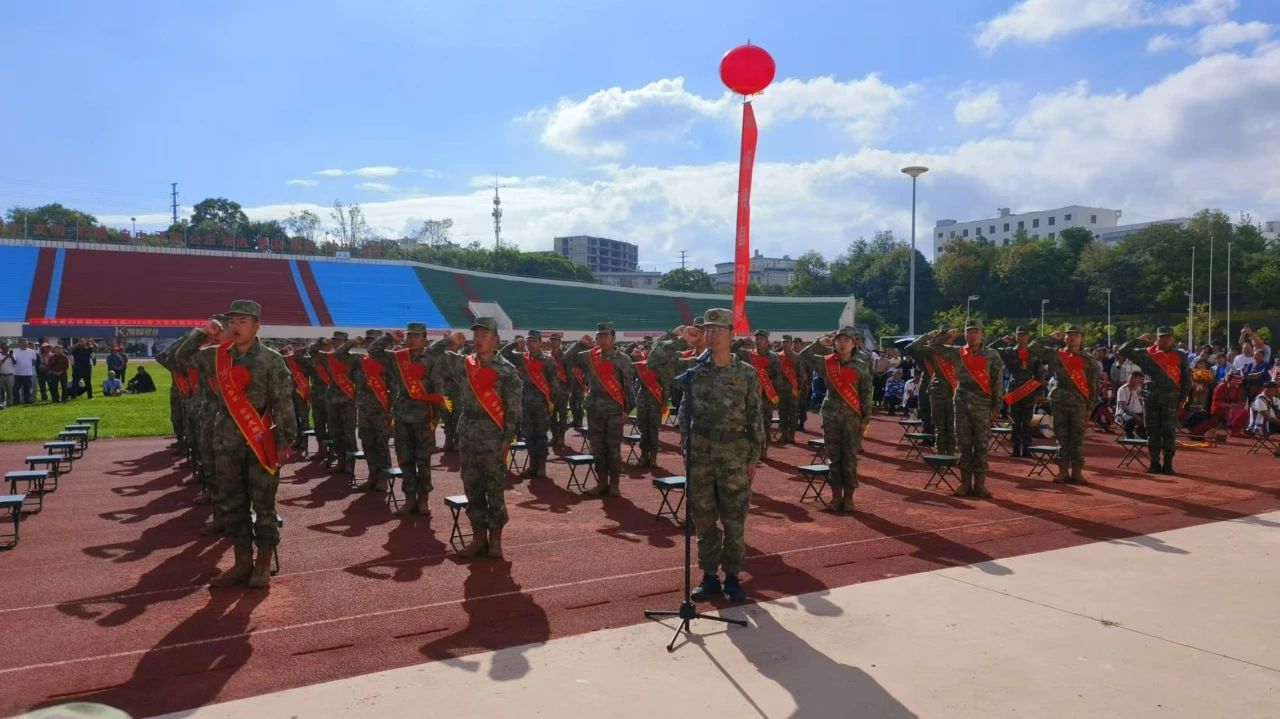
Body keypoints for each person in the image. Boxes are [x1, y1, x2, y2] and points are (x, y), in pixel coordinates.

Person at [174, 300, 296, 588]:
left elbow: (283, 404)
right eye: (232, 321)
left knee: (263, 505)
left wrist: (284, 442)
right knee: (232, 503)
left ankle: (263, 563)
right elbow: (180, 358)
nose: (235, 326)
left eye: (242, 321)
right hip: (226, 442)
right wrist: (203, 333)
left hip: (260, 442)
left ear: (257, 326)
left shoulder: (271, 360)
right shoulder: (217, 356)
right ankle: (242, 562)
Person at [648, 308, 762, 602]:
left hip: (735, 454)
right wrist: (679, 338)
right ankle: (710, 576)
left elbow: (755, 418)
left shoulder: (746, 373)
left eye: (719, 329)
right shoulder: (694, 369)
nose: (713, 334)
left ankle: (733, 577)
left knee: (734, 519)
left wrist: (753, 458)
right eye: (708, 329)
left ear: (732, 334)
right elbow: (655, 362)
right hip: (700, 455)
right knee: (704, 518)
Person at [429, 318, 522, 558]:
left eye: (484, 335)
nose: (479, 340)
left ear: (496, 340)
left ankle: (496, 540)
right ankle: (478, 538)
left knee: (494, 488)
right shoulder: (464, 364)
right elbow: (431, 355)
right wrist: (449, 341)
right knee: (472, 487)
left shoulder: (507, 370)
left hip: (494, 436)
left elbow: (513, 409)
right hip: (469, 434)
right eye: (476, 335)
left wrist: (507, 440)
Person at [371, 323, 451, 513]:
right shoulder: (398, 358)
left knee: (423, 461)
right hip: (402, 416)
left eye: (416, 336)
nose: (412, 339)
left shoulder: (431, 359)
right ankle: (409, 499)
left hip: (424, 417)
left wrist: (435, 417)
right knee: (405, 459)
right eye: (409, 336)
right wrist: (389, 337)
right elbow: (373, 352)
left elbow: (438, 389)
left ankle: (423, 500)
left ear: (424, 338)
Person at [925, 321, 1004, 498]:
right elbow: (933, 347)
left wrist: (996, 406)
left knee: (982, 445)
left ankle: (980, 485)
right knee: (963, 444)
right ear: (964, 334)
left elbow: (997, 381)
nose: (973, 335)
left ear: (982, 334)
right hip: (961, 402)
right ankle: (965, 484)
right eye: (969, 332)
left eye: (976, 332)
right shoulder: (957, 352)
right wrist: (947, 335)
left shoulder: (992, 354)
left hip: (983, 403)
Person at [800, 326, 873, 512]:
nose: (842, 344)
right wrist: (819, 343)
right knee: (833, 458)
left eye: (846, 340)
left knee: (850, 458)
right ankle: (835, 497)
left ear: (853, 343)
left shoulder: (862, 364)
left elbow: (866, 393)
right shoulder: (827, 363)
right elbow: (803, 356)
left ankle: (848, 499)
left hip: (852, 418)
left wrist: (866, 419)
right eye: (839, 340)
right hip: (831, 416)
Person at [566, 323, 635, 497]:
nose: (602, 340)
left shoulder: (623, 359)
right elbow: (567, 360)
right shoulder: (589, 356)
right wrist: (579, 344)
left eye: (605, 336)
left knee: (613, 448)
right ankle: (602, 482)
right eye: (599, 336)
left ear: (613, 338)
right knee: (597, 447)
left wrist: (627, 410)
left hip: (614, 410)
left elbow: (628, 387)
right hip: (594, 409)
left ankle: (615, 484)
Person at [1029, 326, 1099, 484]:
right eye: (1069, 335)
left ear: (1082, 338)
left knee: (1077, 438)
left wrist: (1090, 408)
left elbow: (1094, 385)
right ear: (1064, 338)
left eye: (1076, 335)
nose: (1072, 337)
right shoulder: (1056, 354)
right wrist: (1050, 338)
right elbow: (1032, 348)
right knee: (1061, 436)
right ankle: (1062, 471)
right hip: (1059, 400)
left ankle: (1077, 472)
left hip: (1079, 402)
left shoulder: (1089, 359)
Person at [1117, 328, 1191, 474]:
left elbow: (1186, 379)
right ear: (1157, 338)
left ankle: (1168, 463)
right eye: (1162, 337)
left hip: (1171, 399)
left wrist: (1182, 400)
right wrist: (1139, 340)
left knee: (1169, 431)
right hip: (1151, 398)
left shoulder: (1180, 355)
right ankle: (1154, 462)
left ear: (1173, 339)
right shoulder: (1147, 354)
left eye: (1168, 337)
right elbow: (1123, 351)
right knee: (1152, 431)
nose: (1165, 340)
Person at [343, 330, 396, 496]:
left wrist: (391, 409)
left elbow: (394, 386)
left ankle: (383, 477)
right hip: (364, 407)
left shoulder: (388, 359)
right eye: (368, 341)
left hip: (381, 408)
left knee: (381, 443)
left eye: (374, 340)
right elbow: (341, 360)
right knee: (367, 442)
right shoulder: (360, 360)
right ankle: (372, 475)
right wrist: (352, 342)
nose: (370, 343)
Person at [501, 329, 560, 477]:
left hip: (541, 403)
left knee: (541, 435)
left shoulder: (548, 360)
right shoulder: (522, 358)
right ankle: (532, 466)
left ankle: (541, 467)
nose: (531, 344)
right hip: (525, 402)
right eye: (529, 341)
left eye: (534, 341)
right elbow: (503, 354)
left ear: (540, 342)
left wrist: (552, 404)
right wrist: (515, 343)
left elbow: (554, 384)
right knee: (528, 434)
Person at [990, 327, 1043, 457]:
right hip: (1014, 389)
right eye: (1019, 335)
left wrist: (1038, 393)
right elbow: (989, 349)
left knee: (1027, 421)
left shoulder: (1034, 352)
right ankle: (1015, 449)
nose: (1022, 337)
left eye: (1024, 334)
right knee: (1015, 421)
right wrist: (1001, 341)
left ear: (1028, 336)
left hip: (1029, 389)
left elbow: (1039, 374)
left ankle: (1027, 449)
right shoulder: (1008, 351)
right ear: (1015, 336)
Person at [906, 329, 958, 456]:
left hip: (952, 389)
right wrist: (927, 335)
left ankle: (950, 453)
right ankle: (931, 441)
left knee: (950, 423)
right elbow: (910, 349)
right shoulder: (929, 350)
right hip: (931, 387)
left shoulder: (955, 351)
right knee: (928, 415)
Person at [734, 330, 784, 458]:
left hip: (766, 396)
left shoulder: (773, 357)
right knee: (749, 422)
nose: (759, 341)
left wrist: (775, 395)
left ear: (767, 341)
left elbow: (778, 376)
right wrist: (740, 341)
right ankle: (750, 450)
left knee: (765, 423)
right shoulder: (747, 354)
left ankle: (763, 450)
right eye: (757, 339)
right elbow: (731, 350)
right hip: (750, 394)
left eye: (762, 339)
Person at [321, 331, 359, 475]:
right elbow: (310, 353)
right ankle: (341, 461)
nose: (335, 343)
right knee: (335, 433)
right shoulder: (329, 357)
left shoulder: (352, 358)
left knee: (348, 434)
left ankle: (350, 464)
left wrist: (351, 343)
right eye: (334, 341)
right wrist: (321, 342)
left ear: (346, 342)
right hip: (332, 399)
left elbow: (341, 353)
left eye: (339, 341)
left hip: (347, 399)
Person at [1115, 370, 1147, 439]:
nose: (1132, 380)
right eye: (1131, 377)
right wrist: (1135, 415)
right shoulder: (1122, 389)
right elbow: (1123, 406)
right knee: (1131, 420)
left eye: (1135, 378)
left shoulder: (1140, 389)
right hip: (1124, 414)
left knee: (1151, 419)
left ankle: (1140, 432)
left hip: (1139, 413)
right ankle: (1129, 436)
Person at [11, 339, 37, 405]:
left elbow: (34, 360)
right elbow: (14, 361)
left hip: (28, 374)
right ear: (19, 344)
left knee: (27, 389)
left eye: (26, 344)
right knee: (16, 389)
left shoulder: (32, 351)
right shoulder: (15, 351)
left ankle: (27, 401)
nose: (25, 345)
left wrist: (29, 366)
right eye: (23, 344)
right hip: (18, 374)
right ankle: (16, 402)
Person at [0, 343, 13, 408]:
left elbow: (15, 363)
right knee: (2, 390)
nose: (6, 349)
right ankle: (2, 403)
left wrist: (11, 357)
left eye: (7, 347)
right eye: (5, 347)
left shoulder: (11, 355)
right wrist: (6, 358)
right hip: (1, 375)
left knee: (10, 390)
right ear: (1, 348)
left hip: (10, 375)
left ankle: (10, 403)